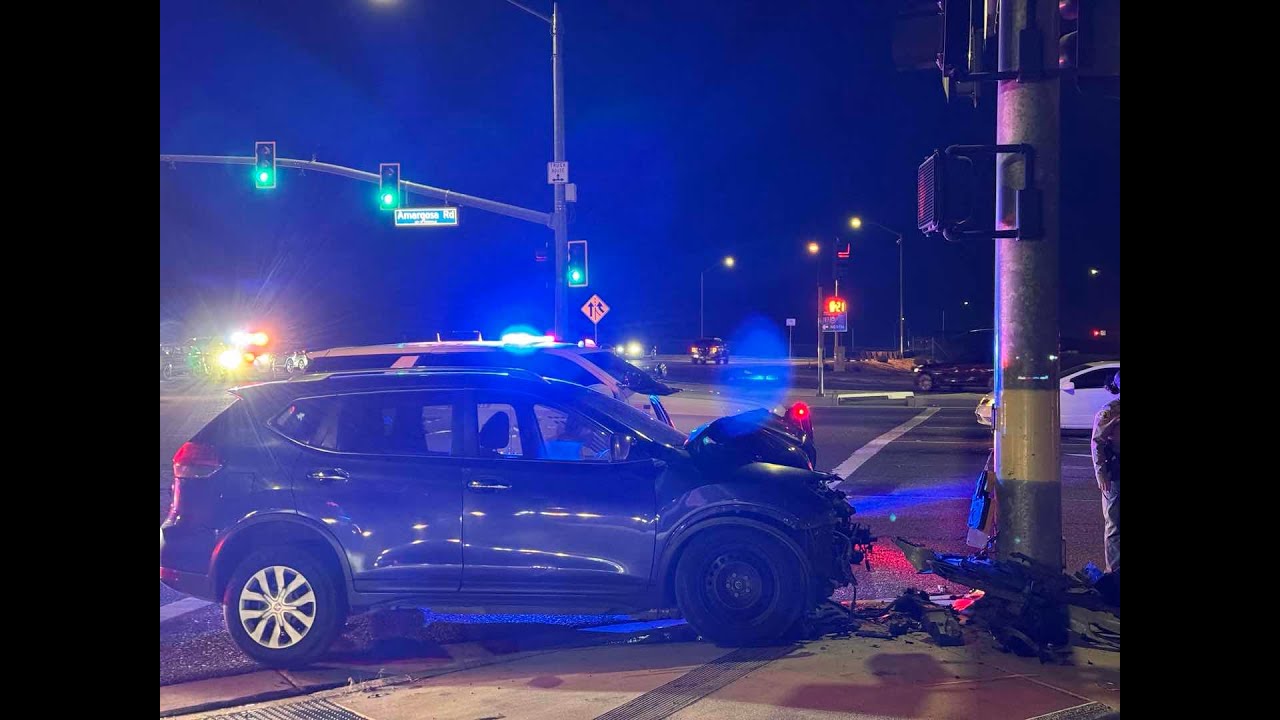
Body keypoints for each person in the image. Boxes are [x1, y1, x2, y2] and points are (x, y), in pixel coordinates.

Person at [1091, 370, 1121, 574]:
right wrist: (1101, 473)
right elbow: (1097, 442)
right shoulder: (1111, 410)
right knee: (1115, 523)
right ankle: (1115, 571)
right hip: (1116, 471)